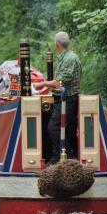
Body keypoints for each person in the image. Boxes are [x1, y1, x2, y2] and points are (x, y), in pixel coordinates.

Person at [33, 31, 82, 165]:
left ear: (57, 45)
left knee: (53, 128)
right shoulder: (66, 58)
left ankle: (69, 156)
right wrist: (43, 90)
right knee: (61, 128)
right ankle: (56, 155)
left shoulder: (69, 59)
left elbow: (59, 82)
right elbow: (58, 83)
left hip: (68, 99)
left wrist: (42, 83)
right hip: (63, 98)